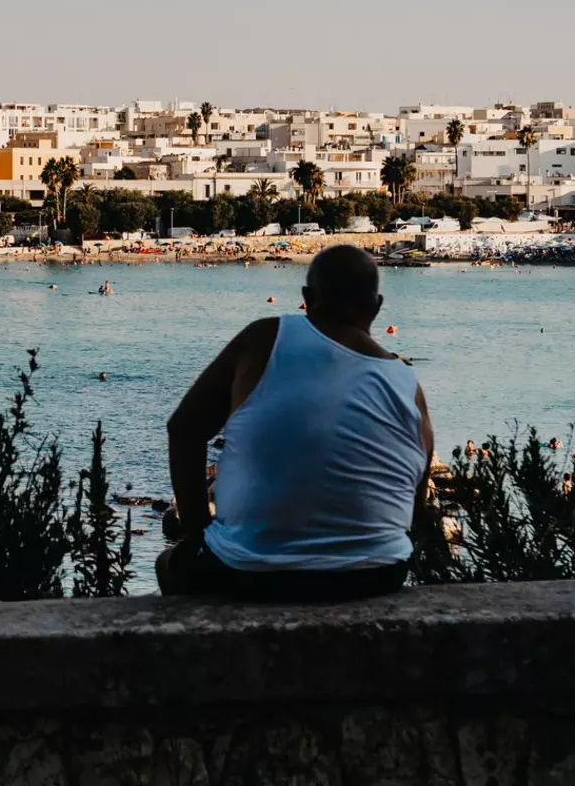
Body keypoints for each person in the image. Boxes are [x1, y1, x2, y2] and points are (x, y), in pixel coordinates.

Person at [157, 245, 433, 602]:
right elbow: (417, 496)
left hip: (251, 573)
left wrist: (197, 534)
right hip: (379, 574)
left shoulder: (265, 338)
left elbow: (184, 429)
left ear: (306, 297)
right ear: (377, 306)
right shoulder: (408, 384)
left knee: (168, 563)